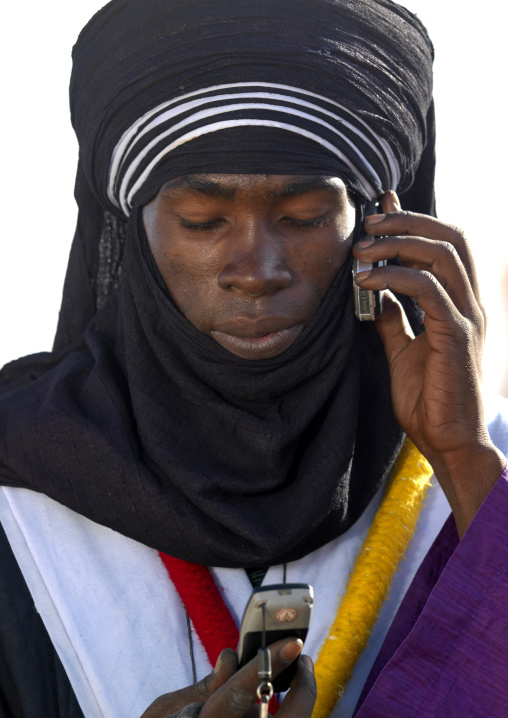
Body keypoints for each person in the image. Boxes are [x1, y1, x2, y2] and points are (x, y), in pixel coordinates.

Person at [0, 0, 507, 716]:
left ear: (376, 229)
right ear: (135, 235)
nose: (255, 268)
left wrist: (462, 458)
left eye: (304, 218)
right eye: (203, 222)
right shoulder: (20, 495)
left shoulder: (480, 470)